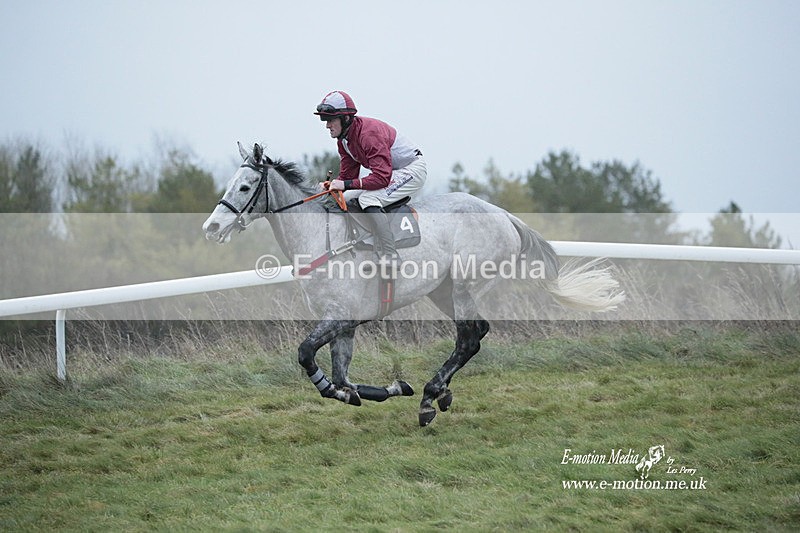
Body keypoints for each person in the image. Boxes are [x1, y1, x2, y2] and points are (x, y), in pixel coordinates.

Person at [314, 90, 426, 261]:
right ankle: (365, 243)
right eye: (325, 120)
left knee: (368, 199)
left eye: (330, 120)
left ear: (345, 118)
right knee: (346, 197)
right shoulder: (344, 140)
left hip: (411, 169)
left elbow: (382, 178)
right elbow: (348, 175)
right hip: (391, 172)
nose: (327, 125)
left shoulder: (368, 134)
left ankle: (390, 253)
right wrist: (332, 186)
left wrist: (344, 184)